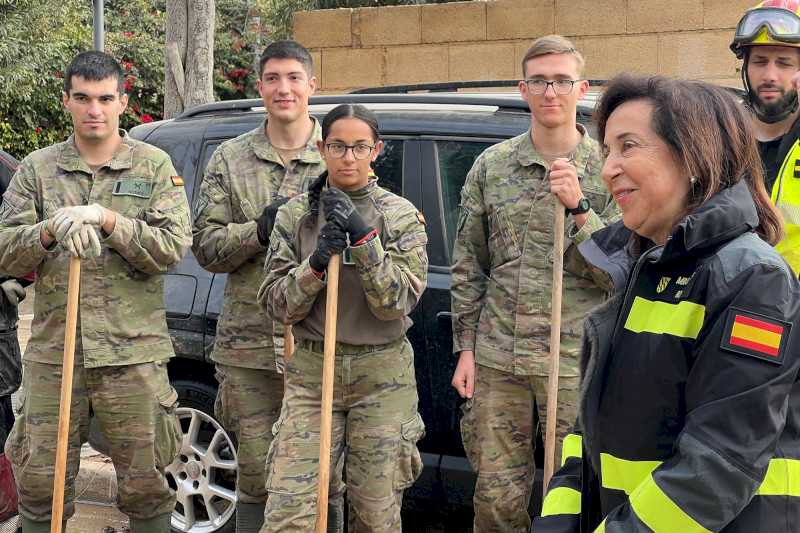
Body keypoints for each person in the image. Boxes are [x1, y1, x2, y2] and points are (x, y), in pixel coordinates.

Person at [534, 74, 800, 533]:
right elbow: (587, 434)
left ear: (694, 155)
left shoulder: (751, 278)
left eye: (628, 146)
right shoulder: (644, 265)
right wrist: (557, 521)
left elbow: (718, 463)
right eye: (606, 152)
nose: (607, 169)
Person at [0, 51, 192, 533]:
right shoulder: (38, 170)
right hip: (55, 353)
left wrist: (109, 221)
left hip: (132, 353)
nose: (94, 109)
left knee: (146, 485)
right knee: (39, 483)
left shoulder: (152, 167)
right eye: (83, 98)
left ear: (123, 103)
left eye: (106, 98)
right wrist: (48, 232)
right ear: (66, 100)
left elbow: (172, 248)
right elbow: (4, 251)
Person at [448, 34, 617, 531]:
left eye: (562, 81)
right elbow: (468, 264)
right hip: (499, 359)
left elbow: (625, 268)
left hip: (576, 361)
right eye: (540, 81)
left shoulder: (610, 168)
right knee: (496, 497)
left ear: (581, 88)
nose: (551, 92)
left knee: (576, 493)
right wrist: (466, 348)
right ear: (523, 89)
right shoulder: (492, 166)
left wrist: (582, 209)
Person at [191, 40, 343, 533]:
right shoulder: (230, 160)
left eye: (294, 77)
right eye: (273, 78)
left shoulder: (340, 154)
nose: (284, 88)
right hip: (250, 348)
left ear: (312, 86)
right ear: (260, 87)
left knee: (327, 475)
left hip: (327, 346)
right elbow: (206, 249)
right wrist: (258, 230)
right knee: (255, 475)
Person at [257, 103, 428, 532]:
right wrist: (315, 264)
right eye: (337, 146)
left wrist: (365, 240)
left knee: (374, 513)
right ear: (321, 147)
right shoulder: (297, 215)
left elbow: (396, 303)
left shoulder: (400, 216)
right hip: (314, 373)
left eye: (359, 147)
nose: (348, 157)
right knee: (289, 512)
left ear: (377, 150)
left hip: (381, 375)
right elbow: (277, 304)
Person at [730, 0, 800, 273]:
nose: (769, 75)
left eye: (784, 63)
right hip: (735, 303)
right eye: (759, 61)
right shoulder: (721, 138)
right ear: (745, 67)